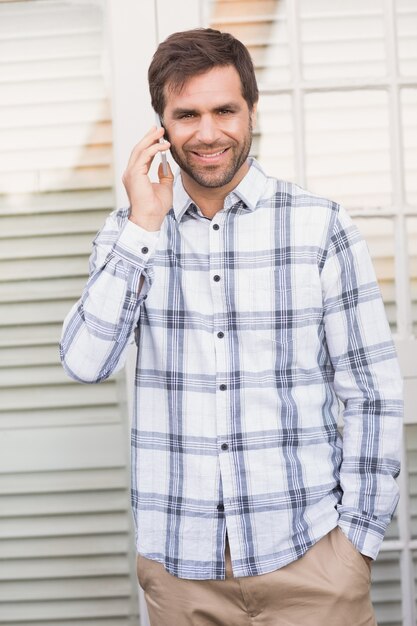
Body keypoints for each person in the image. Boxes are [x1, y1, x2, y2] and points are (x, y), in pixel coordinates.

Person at [60, 28, 403, 626]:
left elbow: (372, 392)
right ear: (160, 127)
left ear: (251, 111)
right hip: (181, 574)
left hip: (312, 560)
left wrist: (357, 544)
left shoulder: (321, 228)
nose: (208, 132)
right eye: (186, 114)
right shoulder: (130, 233)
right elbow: (87, 363)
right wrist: (144, 227)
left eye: (225, 110)